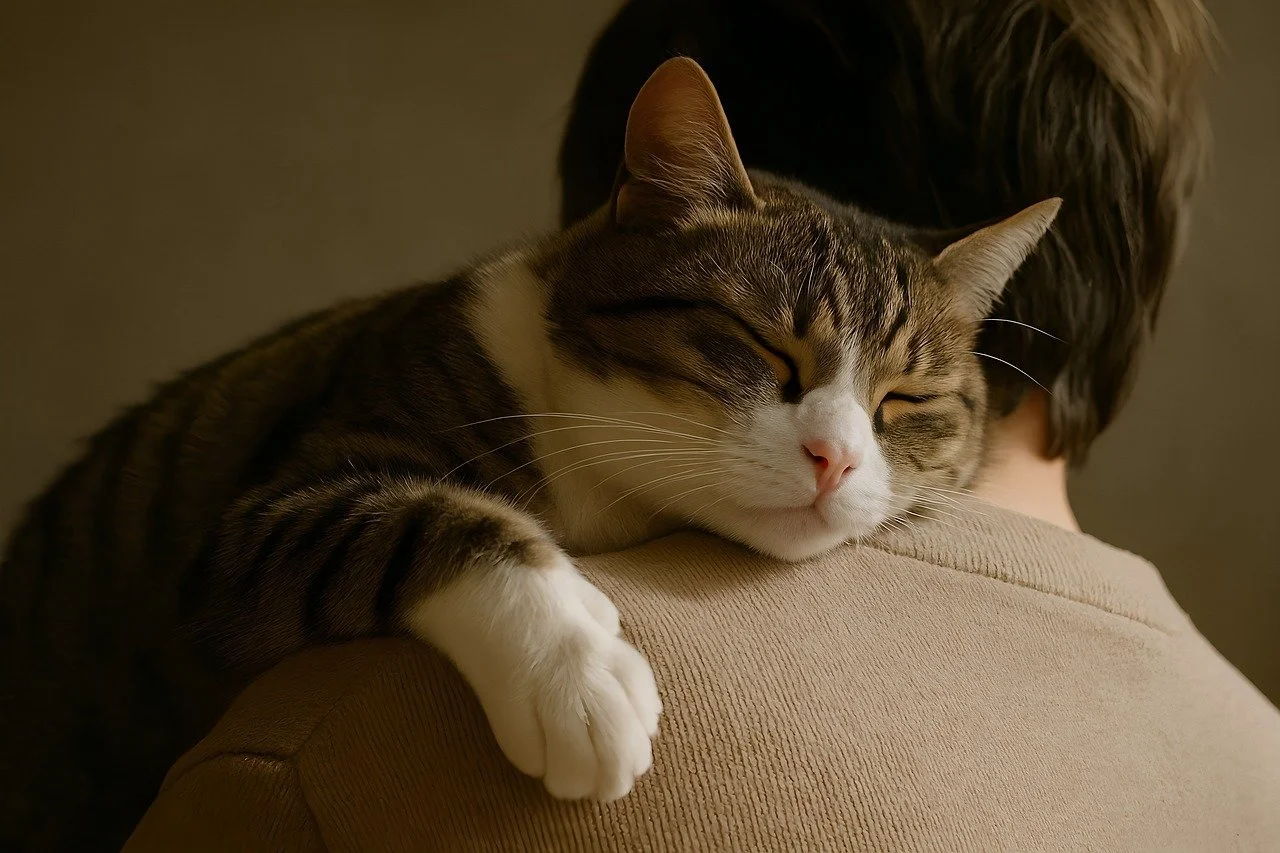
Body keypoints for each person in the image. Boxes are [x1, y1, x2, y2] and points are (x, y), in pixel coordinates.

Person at [124, 1, 1280, 850]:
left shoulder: (348, 746)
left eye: (901, 402)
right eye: (767, 354)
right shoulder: (1260, 767)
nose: (837, 453)